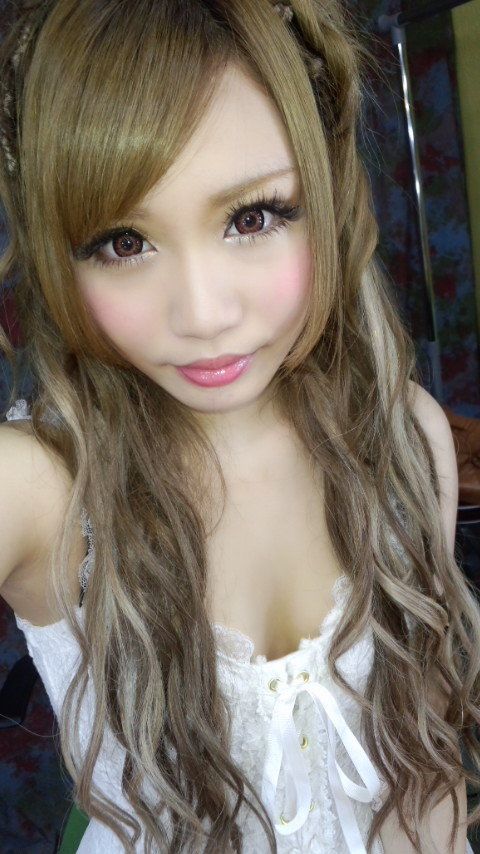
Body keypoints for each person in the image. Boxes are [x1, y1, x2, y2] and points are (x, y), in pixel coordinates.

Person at [0, 1, 478, 851]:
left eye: (251, 217)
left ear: (325, 199)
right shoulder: (42, 488)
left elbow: (427, 779)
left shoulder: (406, 439)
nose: (203, 313)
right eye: (123, 242)